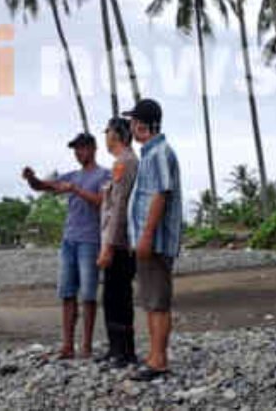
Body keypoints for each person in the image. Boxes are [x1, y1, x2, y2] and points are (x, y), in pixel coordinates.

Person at [20, 132, 109, 359]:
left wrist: (75, 190)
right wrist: (31, 179)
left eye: (82, 148)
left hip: (91, 240)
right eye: (75, 150)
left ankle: (86, 345)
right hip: (69, 240)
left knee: (88, 294)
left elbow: (103, 202)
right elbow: (44, 186)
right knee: (67, 293)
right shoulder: (72, 175)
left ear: (93, 148)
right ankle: (68, 345)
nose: (78, 153)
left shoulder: (104, 175)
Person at [123, 98, 182, 382]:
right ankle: (154, 356)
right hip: (150, 241)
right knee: (150, 299)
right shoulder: (151, 154)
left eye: (133, 122)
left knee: (157, 300)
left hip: (155, 241)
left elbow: (161, 194)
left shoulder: (159, 153)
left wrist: (146, 235)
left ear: (141, 125)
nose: (131, 127)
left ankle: (159, 360)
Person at [95, 117, 139, 368]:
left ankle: (123, 351)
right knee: (113, 296)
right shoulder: (124, 162)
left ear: (116, 135)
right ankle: (116, 349)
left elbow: (119, 207)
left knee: (117, 296)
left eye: (108, 132)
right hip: (119, 241)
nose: (106, 137)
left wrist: (108, 246)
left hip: (120, 243)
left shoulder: (125, 162)